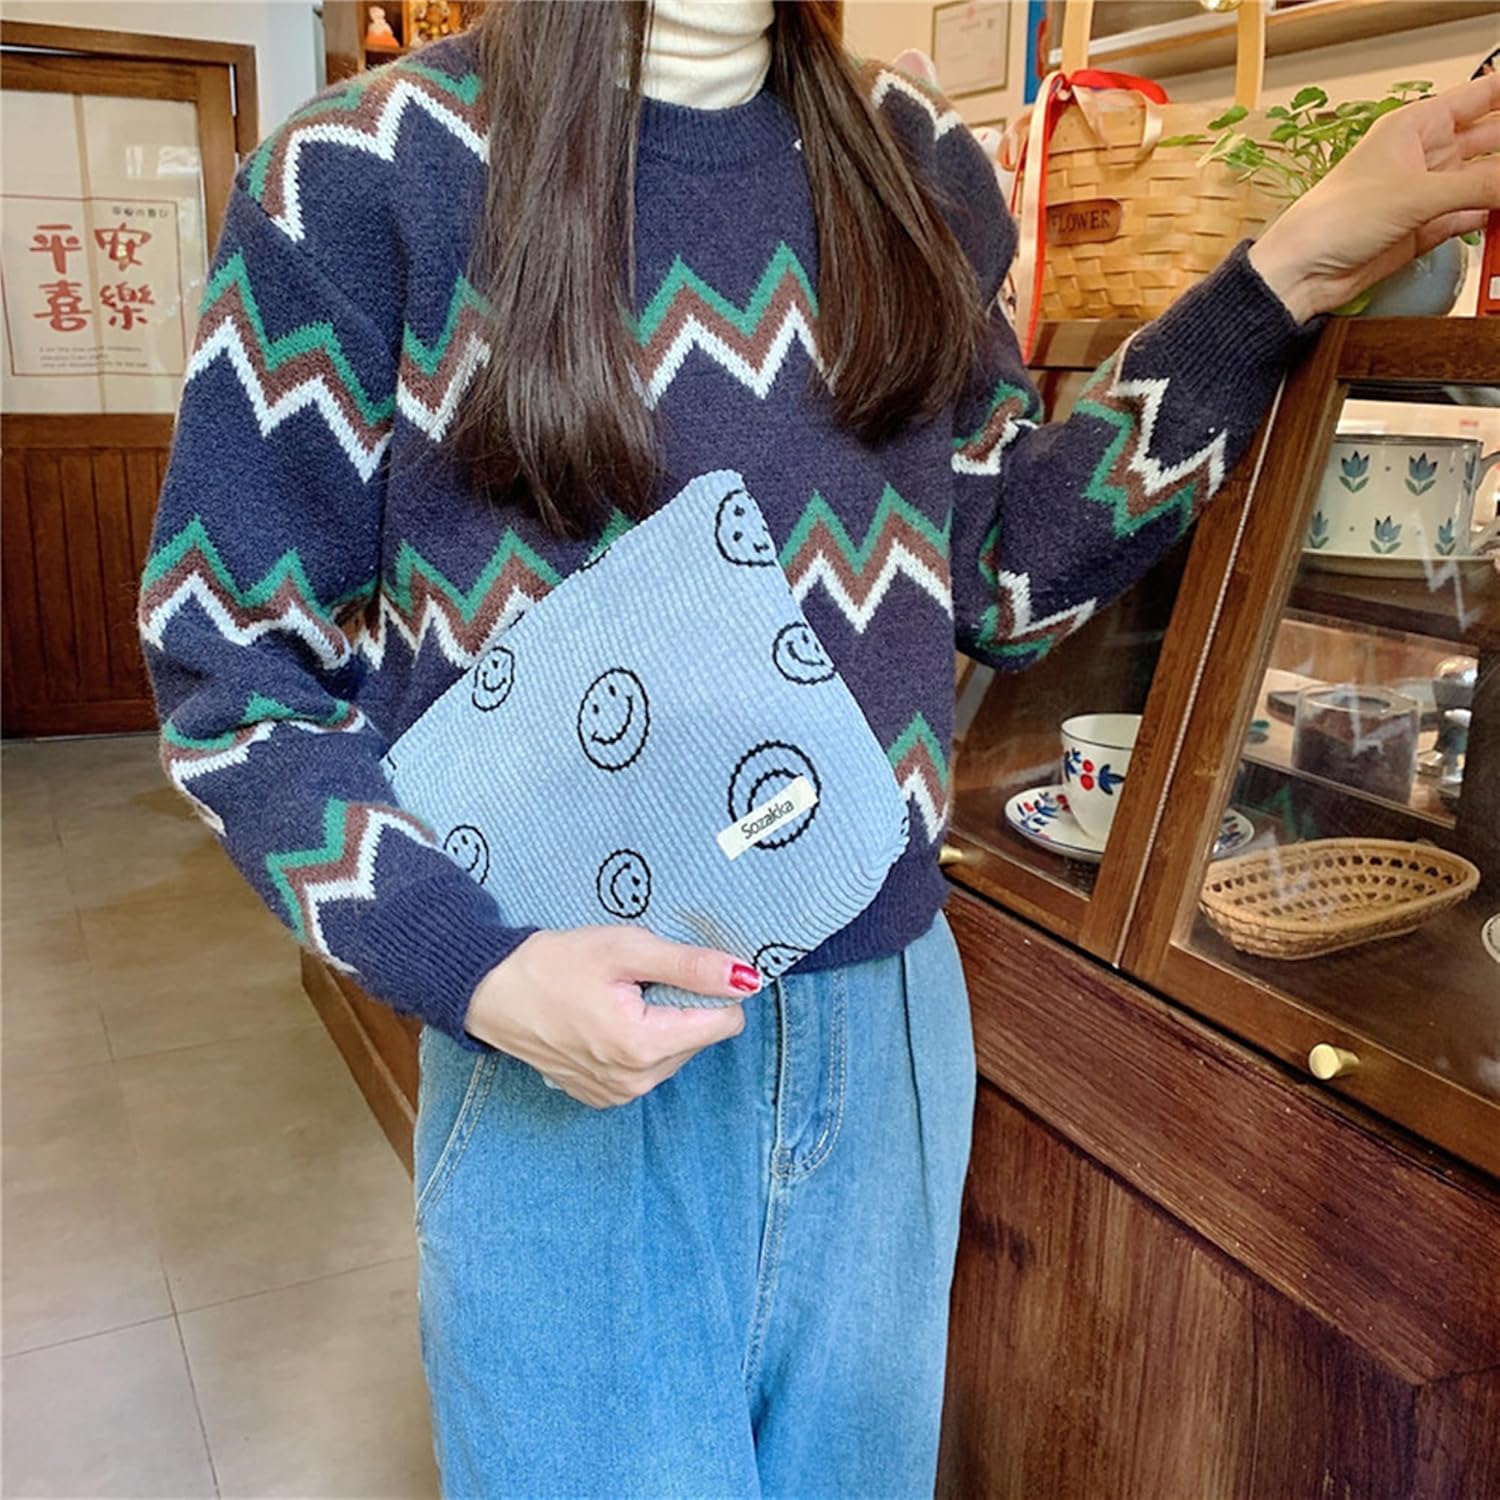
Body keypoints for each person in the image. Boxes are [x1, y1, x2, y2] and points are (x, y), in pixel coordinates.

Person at [138, 2, 1500, 1494]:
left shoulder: (914, 159)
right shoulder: (360, 172)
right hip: (559, 1050)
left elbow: (1000, 576)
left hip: (888, 1029)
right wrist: (473, 967)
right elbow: (232, 677)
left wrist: (1295, 267)